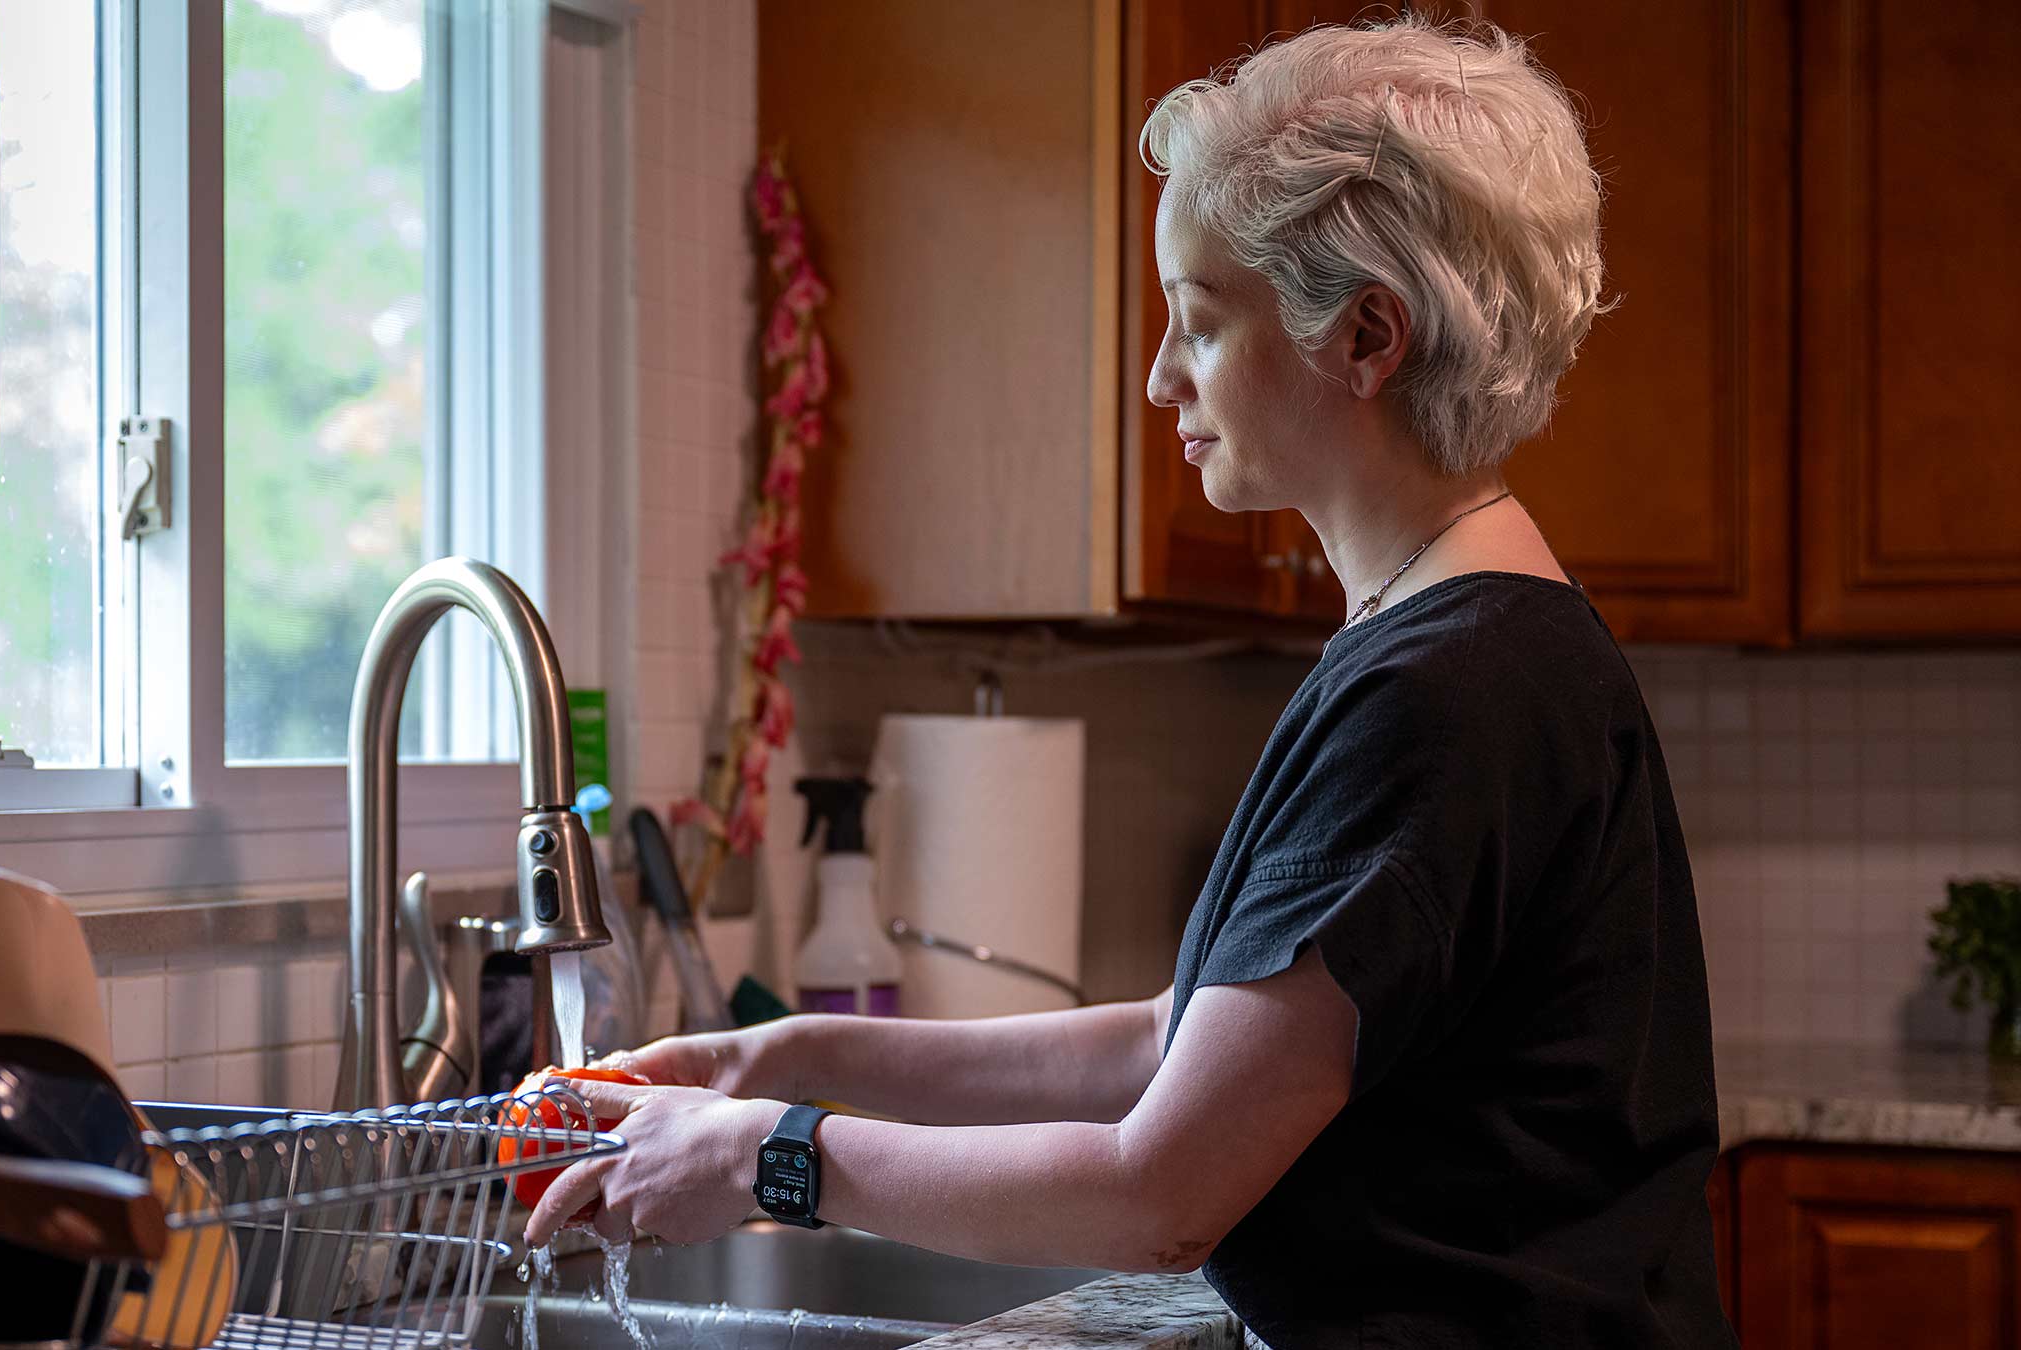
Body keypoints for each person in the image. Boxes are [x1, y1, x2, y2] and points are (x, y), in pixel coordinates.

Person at [525, 15, 1735, 1347]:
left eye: (1202, 324)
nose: (1163, 377)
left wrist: (773, 1155)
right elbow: (1171, 1042)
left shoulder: (1448, 694)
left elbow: (1161, 1188)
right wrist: (778, 1057)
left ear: (1366, 338)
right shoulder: (1461, 642)